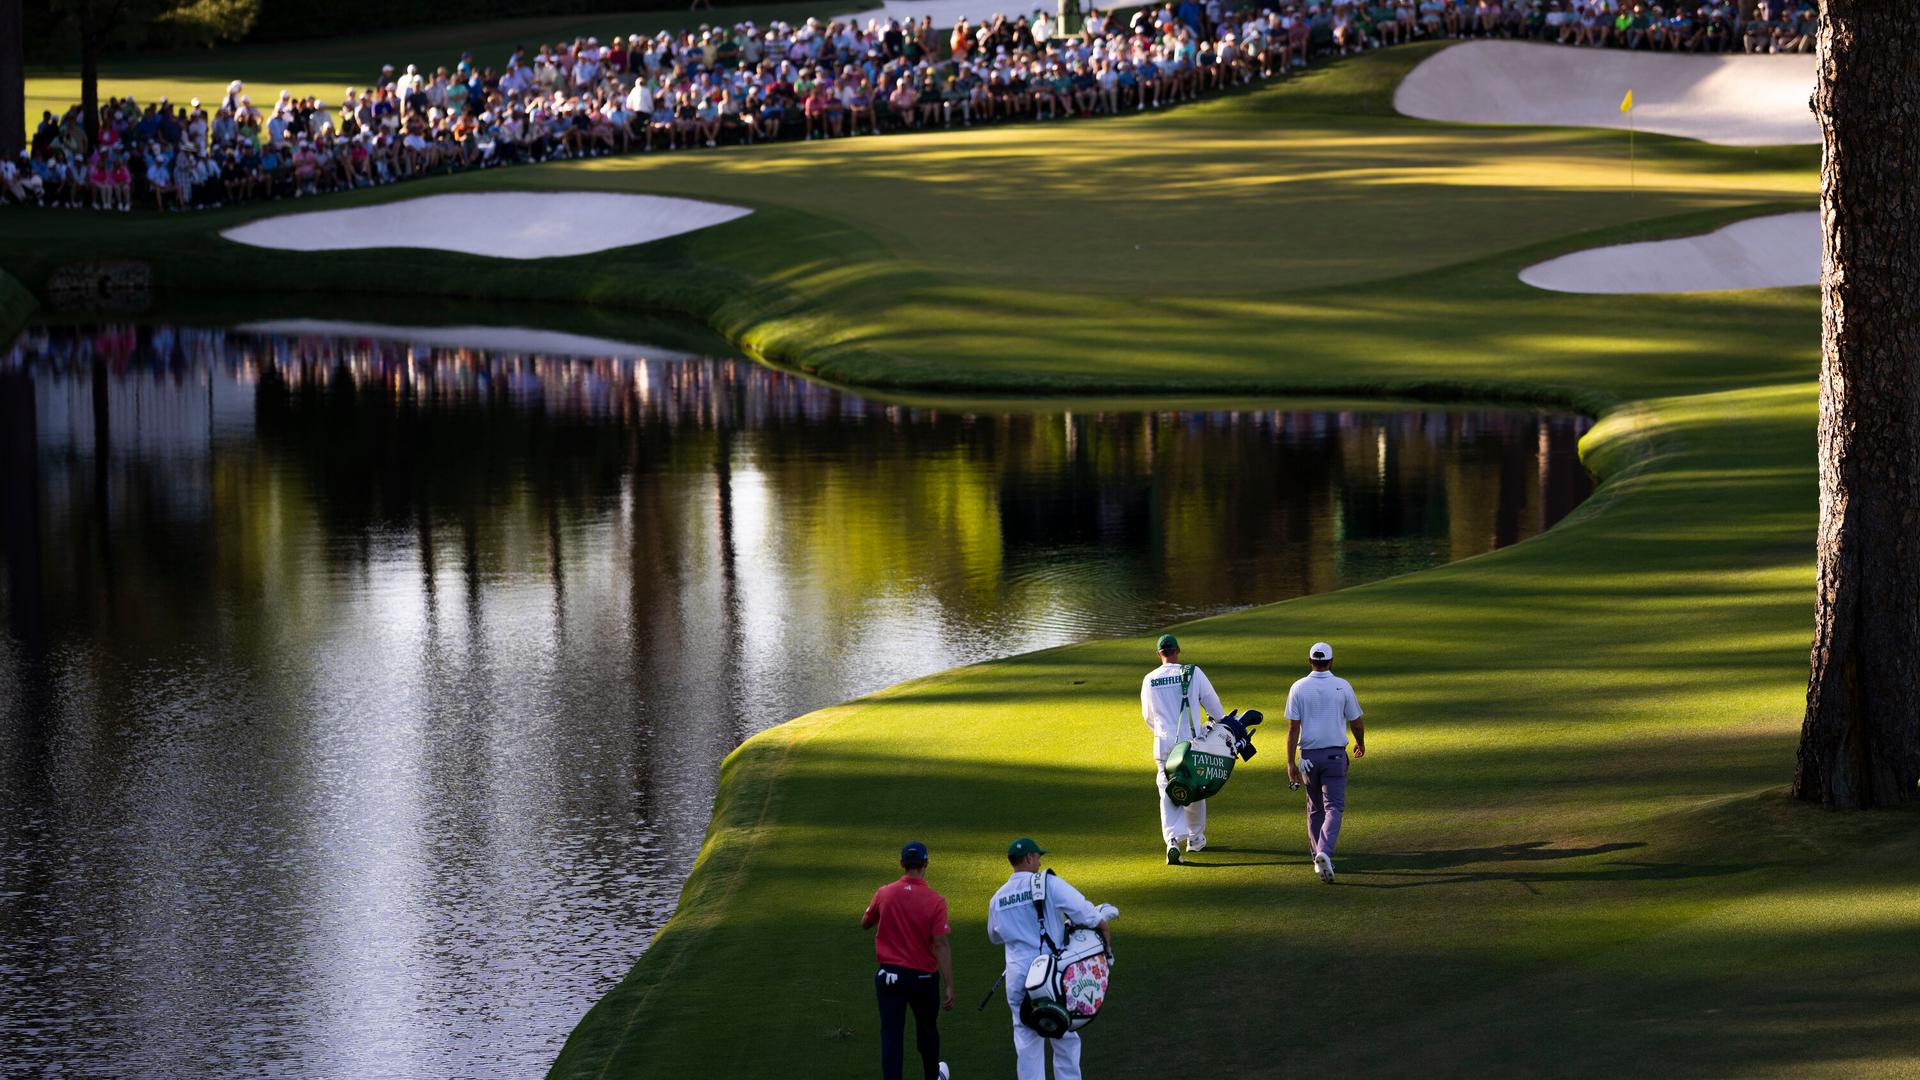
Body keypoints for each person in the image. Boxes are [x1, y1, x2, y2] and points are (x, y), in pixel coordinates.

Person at [987, 838, 1110, 1080]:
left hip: (1017, 974)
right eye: (1038, 857)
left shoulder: (998, 898)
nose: (1040, 861)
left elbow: (994, 936)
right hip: (1050, 975)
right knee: (1065, 1032)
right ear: (1029, 858)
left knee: (1025, 1040)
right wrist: (1102, 925)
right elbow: (1082, 910)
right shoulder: (1047, 883)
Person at [861, 841, 953, 1080]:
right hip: (923, 978)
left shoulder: (884, 893)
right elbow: (941, 943)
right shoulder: (936, 901)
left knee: (891, 1036)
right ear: (926, 865)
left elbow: (865, 922)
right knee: (927, 1034)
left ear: (902, 864)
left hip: (889, 977)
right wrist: (950, 985)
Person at [1284, 641, 1365, 884]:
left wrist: (1290, 763)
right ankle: (1324, 852)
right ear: (1331, 661)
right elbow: (1356, 721)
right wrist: (1360, 742)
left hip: (1308, 758)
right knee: (1333, 808)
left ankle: (1317, 857)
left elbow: (1292, 730)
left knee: (1315, 808)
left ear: (1310, 661)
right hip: (1335, 757)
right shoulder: (1342, 686)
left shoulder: (1298, 687)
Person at [1140, 633, 1224, 864]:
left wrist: (1162, 732)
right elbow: (1215, 709)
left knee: (1168, 790)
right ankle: (1195, 839)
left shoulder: (1149, 679)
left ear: (1159, 654)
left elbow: (1148, 716)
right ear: (1178, 650)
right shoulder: (1193, 672)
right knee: (1196, 788)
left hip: (1164, 744)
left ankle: (1172, 840)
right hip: (1192, 742)